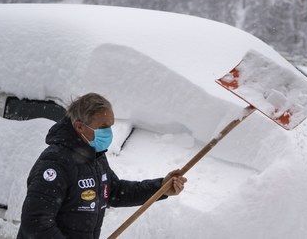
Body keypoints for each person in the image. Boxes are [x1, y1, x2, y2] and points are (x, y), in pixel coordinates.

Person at [17, 93, 187, 238]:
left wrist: (159, 188)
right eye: (103, 127)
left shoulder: (94, 157)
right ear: (80, 127)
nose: (108, 133)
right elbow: (35, 221)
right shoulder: (56, 163)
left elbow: (115, 191)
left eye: (111, 126)